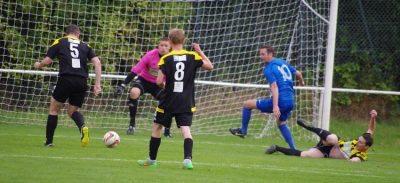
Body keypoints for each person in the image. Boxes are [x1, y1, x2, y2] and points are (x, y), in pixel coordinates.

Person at [137, 28, 213, 169]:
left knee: (157, 127)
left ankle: (152, 160)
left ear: (170, 42)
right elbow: (210, 66)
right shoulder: (192, 56)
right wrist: (199, 51)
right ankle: (187, 160)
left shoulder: (166, 58)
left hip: (168, 100)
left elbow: (159, 81)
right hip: (186, 100)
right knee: (185, 129)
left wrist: (167, 83)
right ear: (184, 41)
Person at [34, 24, 102, 147]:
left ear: (66, 34)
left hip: (66, 78)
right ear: (78, 35)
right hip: (82, 81)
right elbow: (97, 63)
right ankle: (83, 127)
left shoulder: (59, 41)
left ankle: (49, 142)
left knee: (54, 109)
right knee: (72, 111)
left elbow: (48, 61)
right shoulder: (86, 45)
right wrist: (97, 84)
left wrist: (38, 65)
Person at [229, 46, 304, 149]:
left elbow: (274, 87)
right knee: (281, 122)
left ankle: (243, 131)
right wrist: (301, 82)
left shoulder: (269, 69)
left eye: (263, 54)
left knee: (247, 104)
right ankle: (293, 149)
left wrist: (275, 106)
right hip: (290, 101)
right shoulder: (282, 62)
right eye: (260, 54)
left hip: (280, 102)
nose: (260, 56)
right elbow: (298, 73)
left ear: (270, 54)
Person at [266, 110, 377, 162]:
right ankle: (308, 126)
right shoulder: (362, 140)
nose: (358, 141)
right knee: (332, 139)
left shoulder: (360, 156)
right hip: (333, 142)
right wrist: (373, 118)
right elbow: (371, 129)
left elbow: (355, 161)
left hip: (326, 153)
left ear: (366, 147)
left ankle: (276, 148)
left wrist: (352, 160)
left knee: (305, 155)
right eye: (359, 139)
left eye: (361, 142)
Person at [114, 37, 173, 137]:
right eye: (161, 45)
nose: (163, 48)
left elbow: (171, 78)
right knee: (134, 92)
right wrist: (123, 85)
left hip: (158, 85)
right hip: (144, 81)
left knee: (169, 100)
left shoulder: (171, 60)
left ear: (170, 48)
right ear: (158, 46)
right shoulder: (150, 55)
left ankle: (167, 129)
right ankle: (132, 125)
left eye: (166, 46)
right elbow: (136, 70)